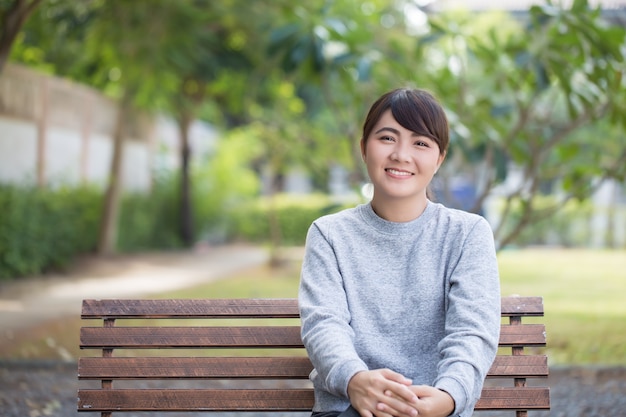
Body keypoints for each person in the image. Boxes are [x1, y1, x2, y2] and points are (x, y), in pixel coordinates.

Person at [298, 87, 501, 417]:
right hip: (349, 408)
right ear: (364, 148)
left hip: (434, 408)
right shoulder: (329, 234)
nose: (401, 155)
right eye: (387, 138)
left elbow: (472, 333)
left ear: (439, 158)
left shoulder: (467, 234)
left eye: (420, 143)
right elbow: (324, 324)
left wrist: (447, 398)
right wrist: (355, 380)